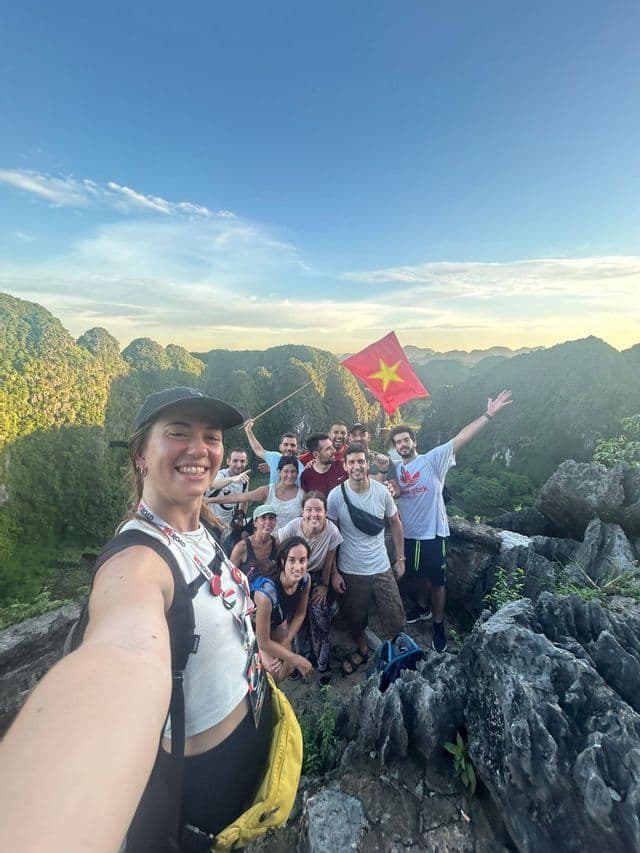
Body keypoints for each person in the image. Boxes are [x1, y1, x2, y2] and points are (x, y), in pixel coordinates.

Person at [0, 386, 274, 853]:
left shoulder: (201, 530)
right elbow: (122, 652)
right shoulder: (138, 562)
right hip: (198, 805)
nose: (199, 449)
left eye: (211, 436)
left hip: (249, 769)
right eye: (178, 433)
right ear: (140, 456)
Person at [388, 390, 513, 652]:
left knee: (438, 581)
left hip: (434, 534)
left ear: (413, 441)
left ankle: (438, 624)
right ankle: (422, 607)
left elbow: (461, 438)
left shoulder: (432, 460)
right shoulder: (396, 468)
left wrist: (488, 415)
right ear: (396, 447)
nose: (403, 444)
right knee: (417, 575)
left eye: (406, 439)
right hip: (409, 534)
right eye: (398, 442)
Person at [326, 443, 406, 676]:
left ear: (367, 463)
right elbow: (332, 536)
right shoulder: (336, 496)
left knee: (395, 616)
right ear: (345, 465)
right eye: (352, 462)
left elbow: (395, 523)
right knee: (355, 617)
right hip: (351, 569)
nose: (357, 466)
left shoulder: (381, 492)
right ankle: (362, 650)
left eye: (361, 461)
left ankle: (397, 654)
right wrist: (334, 573)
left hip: (381, 566)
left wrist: (400, 558)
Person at [276, 491, 343, 683]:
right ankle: (299, 658)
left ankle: (322, 663)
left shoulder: (332, 532)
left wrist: (325, 586)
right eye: (309, 510)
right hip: (294, 576)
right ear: (302, 512)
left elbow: (328, 562)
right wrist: (287, 582)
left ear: (325, 512)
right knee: (294, 619)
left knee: (319, 617)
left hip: (316, 576)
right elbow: (280, 554)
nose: (314, 514)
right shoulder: (291, 528)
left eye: (318, 510)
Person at [251, 536, 313, 683]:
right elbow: (264, 642)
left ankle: (274, 689)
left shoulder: (305, 580)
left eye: (302, 560)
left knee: (288, 667)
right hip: (250, 624)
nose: (298, 567)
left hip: (274, 620)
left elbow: (300, 613)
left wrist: (287, 641)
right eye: (292, 560)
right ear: (283, 561)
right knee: (273, 670)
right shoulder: (267, 593)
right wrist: (297, 659)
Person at [207, 455, 304, 532]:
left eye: (293, 472)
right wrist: (210, 500)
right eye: (286, 471)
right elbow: (240, 497)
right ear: (279, 472)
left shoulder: (302, 495)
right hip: (269, 541)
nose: (290, 475)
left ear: (297, 473)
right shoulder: (268, 490)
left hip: (294, 544)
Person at [242, 418, 305, 485]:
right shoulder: (274, 457)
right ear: (280, 447)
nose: (289, 448)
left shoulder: (301, 470)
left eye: (292, 445)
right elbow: (258, 450)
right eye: (286, 445)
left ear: (297, 448)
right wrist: (248, 430)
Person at [229, 504, 279, 581]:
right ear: (255, 523)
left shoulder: (276, 544)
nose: (268, 522)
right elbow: (230, 575)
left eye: (271, 518)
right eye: (263, 518)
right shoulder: (241, 547)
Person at [206, 447, 251, 527]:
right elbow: (213, 484)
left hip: (227, 525)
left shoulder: (244, 480)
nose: (239, 465)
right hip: (209, 522)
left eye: (242, 461)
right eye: (235, 461)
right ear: (228, 461)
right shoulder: (221, 474)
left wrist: (240, 518)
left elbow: (245, 500)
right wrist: (232, 479)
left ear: (246, 462)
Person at [300, 432, 348, 496]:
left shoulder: (343, 467)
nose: (334, 450)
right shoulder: (306, 476)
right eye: (328, 449)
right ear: (316, 454)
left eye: (332, 446)